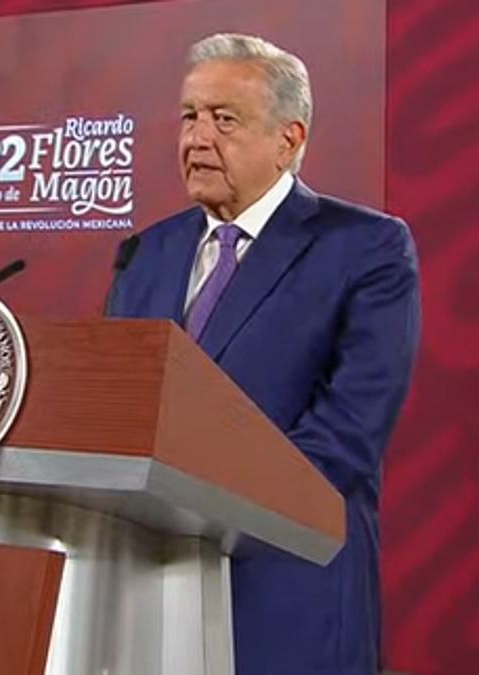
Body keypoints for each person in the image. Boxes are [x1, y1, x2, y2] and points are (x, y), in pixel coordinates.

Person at [105, 33, 420, 675]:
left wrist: (201, 510)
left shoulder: (365, 248)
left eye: (224, 119)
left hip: (288, 593)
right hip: (148, 592)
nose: (197, 138)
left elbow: (348, 432)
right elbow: (115, 410)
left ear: (288, 139)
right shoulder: (146, 253)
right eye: (190, 116)